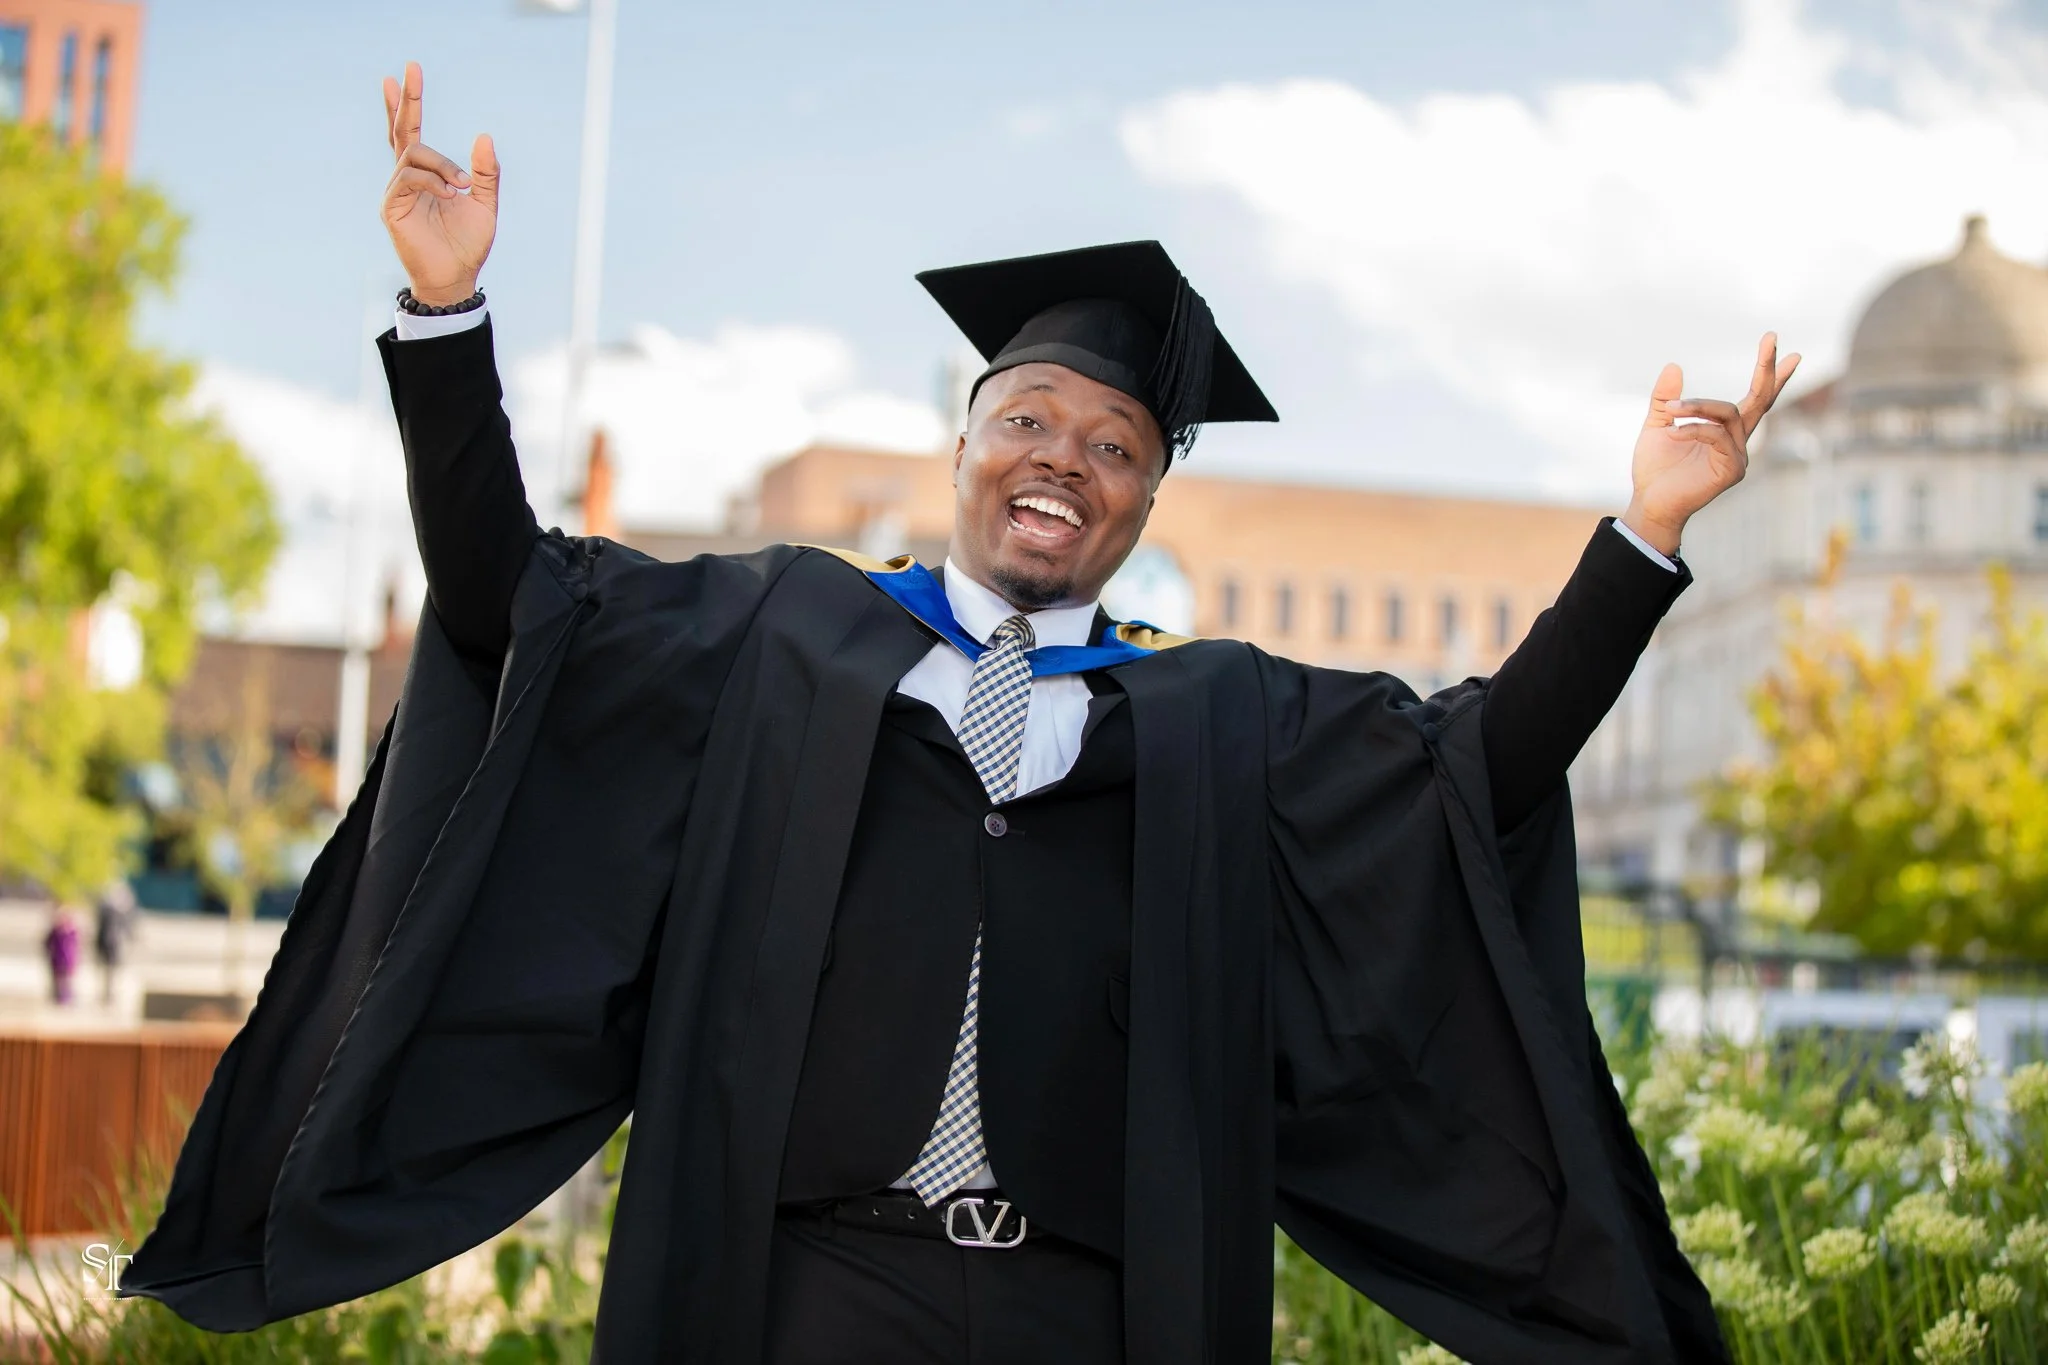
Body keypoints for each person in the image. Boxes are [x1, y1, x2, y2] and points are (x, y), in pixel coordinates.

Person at [122, 63, 1800, 1364]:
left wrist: (1640, 535)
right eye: (1032, 415)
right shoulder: (777, 635)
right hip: (796, 1299)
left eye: (1117, 444)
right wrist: (445, 322)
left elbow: (1470, 773)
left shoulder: (1214, 720)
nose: (1065, 457)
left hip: (1096, 1315)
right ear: (964, 437)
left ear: (1146, 502)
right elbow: (507, 601)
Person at [95, 878, 138, 1008]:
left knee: (113, 971)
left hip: (115, 943)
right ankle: (107, 994)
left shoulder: (120, 910)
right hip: (108, 943)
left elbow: (126, 926)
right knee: (107, 971)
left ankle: (111, 994)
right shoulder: (107, 908)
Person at [43, 905, 81, 1007]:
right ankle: (58, 998)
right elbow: (47, 943)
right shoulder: (56, 930)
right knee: (58, 979)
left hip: (68, 958)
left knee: (67, 979)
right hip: (57, 958)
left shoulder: (72, 931)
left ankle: (67, 998)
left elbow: (77, 945)